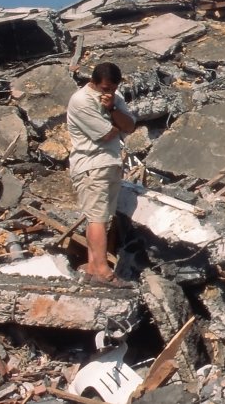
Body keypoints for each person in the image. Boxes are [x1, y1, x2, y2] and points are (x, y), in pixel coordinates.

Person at [66, 62, 136, 287]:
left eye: (113, 89)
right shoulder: (81, 101)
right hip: (92, 165)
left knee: (100, 217)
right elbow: (107, 133)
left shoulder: (114, 99)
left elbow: (129, 126)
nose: (109, 93)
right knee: (97, 217)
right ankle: (103, 271)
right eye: (105, 88)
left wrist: (113, 108)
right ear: (94, 83)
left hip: (110, 163)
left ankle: (92, 267)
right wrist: (113, 118)